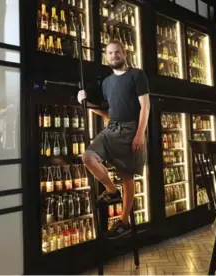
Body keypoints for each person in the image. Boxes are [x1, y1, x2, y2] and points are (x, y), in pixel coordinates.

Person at [77, 40, 150, 238]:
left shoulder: (137, 74)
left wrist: (139, 134)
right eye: (109, 53)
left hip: (131, 129)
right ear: (106, 57)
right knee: (88, 157)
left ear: (124, 53)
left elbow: (145, 106)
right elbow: (109, 113)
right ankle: (111, 190)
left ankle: (124, 222)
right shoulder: (107, 83)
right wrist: (86, 103)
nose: (113, 56)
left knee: (127, 177)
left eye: (117, 52)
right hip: (112, 128)